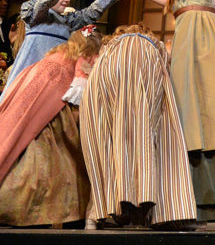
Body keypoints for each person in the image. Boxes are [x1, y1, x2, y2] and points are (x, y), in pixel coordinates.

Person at [82, 0, 215, 222]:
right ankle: (184, 198)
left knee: (200, 110)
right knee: (192, 111)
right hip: (198, 44)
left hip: (200, 48)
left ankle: (203, 198)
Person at [80, 24, 197, 229]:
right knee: (149, 133)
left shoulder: (109, 49)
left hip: (105, 71)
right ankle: (149, 209)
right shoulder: (150, 44)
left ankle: (102, 210)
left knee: (106, 137)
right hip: (144, 60)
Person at [0, 26, 102, 226]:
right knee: (53, 175)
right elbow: (76, 105)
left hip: (31, 124)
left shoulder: (51, 59)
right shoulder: (80, 62)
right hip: (50, 127)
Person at [2, 0, 121, 94]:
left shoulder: (66, 20)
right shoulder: (34, 14)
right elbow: (47, 0)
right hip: (29, 79)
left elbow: (89, 14)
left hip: (53, 80)